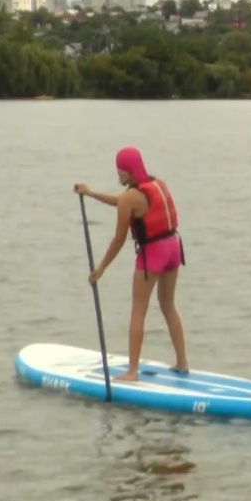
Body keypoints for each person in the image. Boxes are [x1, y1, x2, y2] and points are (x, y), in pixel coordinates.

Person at [73, 146, 189, 382]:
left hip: (152, 255)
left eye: (121, 170)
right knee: (168, 305)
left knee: (138, 310)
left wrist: (101, 269)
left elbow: (119, 239)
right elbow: (123, 202)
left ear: (129, 170)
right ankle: (182, 362)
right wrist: (91, 193)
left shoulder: (130, 197)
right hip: (173, 247)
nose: (119, 175)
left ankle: (132, 371)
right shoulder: (157, 184)